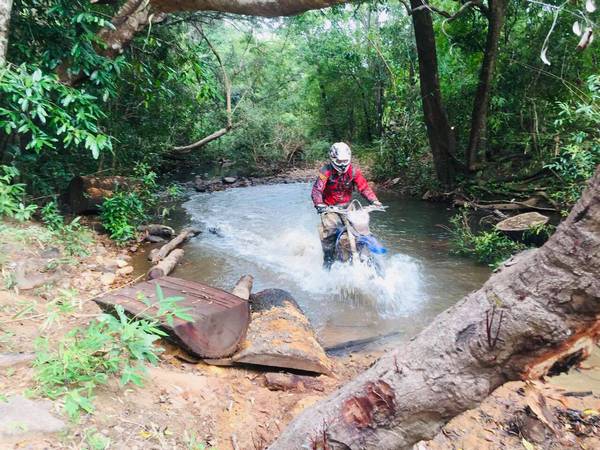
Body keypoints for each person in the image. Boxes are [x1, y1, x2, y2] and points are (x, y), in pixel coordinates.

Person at [311, 142, 382, 268]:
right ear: (333, 158)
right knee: (330, 232)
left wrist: (374, 201)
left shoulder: (354, 171)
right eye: (339, 160)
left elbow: (364, 188)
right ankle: (328, 261)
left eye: (345, 160)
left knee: (362, 229)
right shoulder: (325, 171)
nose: (342, 164)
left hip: (348, 206)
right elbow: (317, 189)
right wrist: (319, 204)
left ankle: (369, 256)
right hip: (330, 208)